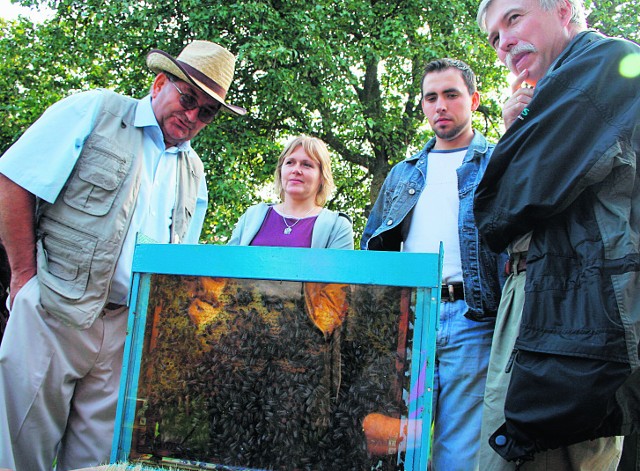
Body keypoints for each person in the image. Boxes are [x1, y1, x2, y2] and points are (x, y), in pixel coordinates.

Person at [0, 40, 246, 471]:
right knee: (18, 452)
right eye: (187, 99)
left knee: (99, 463)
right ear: (159, 83)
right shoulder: (95, 111)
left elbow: (179, 265)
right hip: (54, 311)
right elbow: (13, 180)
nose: (192, 116)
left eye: (206, 111)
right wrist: (24, 277)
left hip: (124, 332)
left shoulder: (195, 173)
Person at [474, 0, 639, 468]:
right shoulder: (564, 91)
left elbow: (498, 209)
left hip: (576, 308)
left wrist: (515, 140)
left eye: (514, 18)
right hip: (548, 298)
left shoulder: (607, 67)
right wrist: (516, 130)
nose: (504, 41)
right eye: (493, 37)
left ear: (564, 9)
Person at [361, 58, 507, 470]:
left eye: (451, 94)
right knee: (395, 441)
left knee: (459, 448)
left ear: (474, 100)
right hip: (411, 319)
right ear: (423, 106)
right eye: (431, 97)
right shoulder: (402, 174)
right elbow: (374, 249)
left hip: (473, 318)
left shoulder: (498, 163)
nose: (440, 105)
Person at [228, 135, 353, 249]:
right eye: (290, 163)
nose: (296, 170)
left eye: (307, 165)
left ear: (322, 176)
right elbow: (227, 267)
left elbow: (336, 273)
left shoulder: (337, 226)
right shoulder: (252, 216)